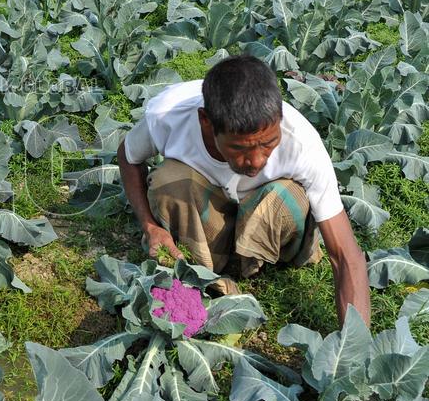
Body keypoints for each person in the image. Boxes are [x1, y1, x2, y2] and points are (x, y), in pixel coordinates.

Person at [116, 54, 371, 325]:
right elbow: (128, 156)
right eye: (239, 148)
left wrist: (352, 348)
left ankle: (249, 263)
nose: (257, 161)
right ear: (206, 121)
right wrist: (149, 226)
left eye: (268, 143)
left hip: (269, 219)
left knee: (287, 194)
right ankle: (204, 271)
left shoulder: (302, 143)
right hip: (210, 211)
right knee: (170, 180)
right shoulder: (169, 116)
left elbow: (346, 256)